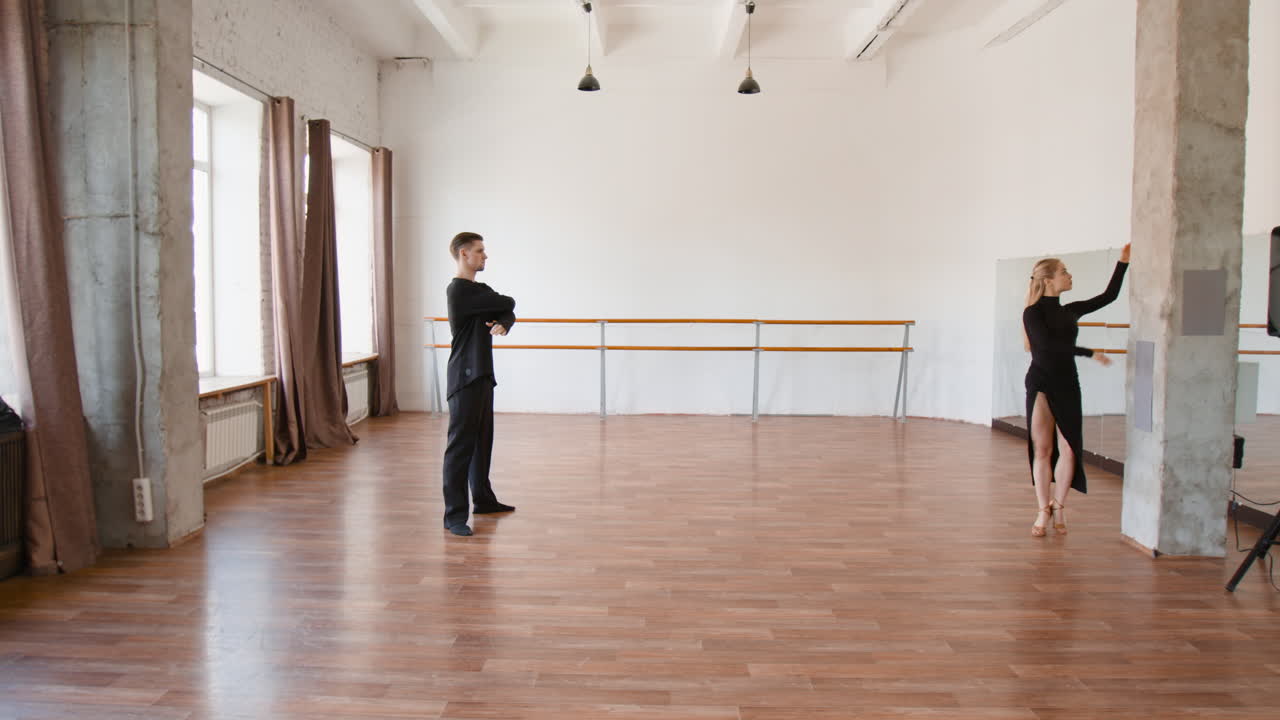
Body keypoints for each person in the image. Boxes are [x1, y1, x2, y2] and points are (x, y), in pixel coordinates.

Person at [1023, 244, 1130, 537]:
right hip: (1042, 382)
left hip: (1067, 382)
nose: (1070, 276)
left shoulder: (1071, 310)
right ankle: (1042, 509)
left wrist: (1122, 263)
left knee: (1069, 446)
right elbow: (1046, 346)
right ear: (1048, 280)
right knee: (1043, 449)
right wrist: (1088, 352)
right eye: (1064, 272)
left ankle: (1060, 506)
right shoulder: (1032, 314)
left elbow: (1109, 296)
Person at [441, 232, 517, 537]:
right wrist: (504, 311)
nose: (485, 256)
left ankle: (483, 500)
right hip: (464, 377)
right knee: (460, 447)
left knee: (483, 441)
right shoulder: (459, 291)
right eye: (480, 251)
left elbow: (506, 310)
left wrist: (505, 323)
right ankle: (453, 516)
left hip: (482, 374)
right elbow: (507, 301)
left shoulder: (478, 291)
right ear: (463, 254)